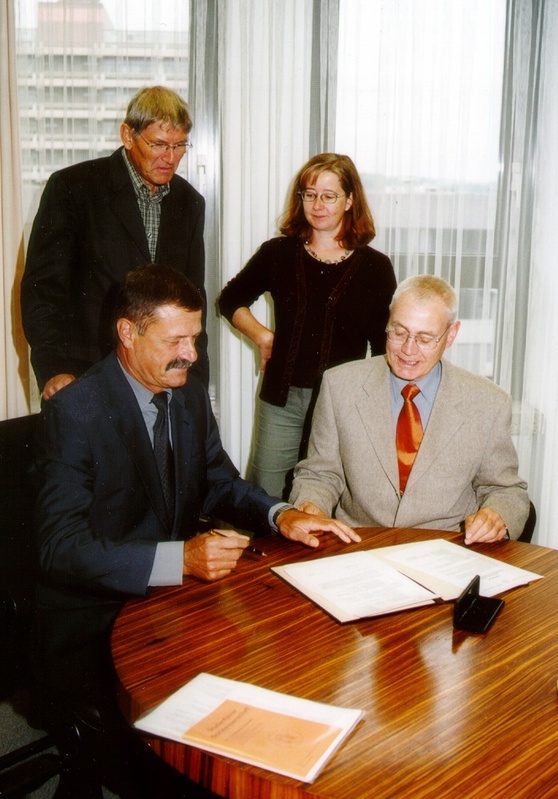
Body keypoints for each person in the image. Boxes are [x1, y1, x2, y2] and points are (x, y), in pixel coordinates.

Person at [31, 263, 359, 702]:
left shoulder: (188, 392)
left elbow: (218, 481)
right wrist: (180, 560)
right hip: (98, 618)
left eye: (195, 338)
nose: (192, 354)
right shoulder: (74, 412)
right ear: (128, 333)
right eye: (175, 341)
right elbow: (61, 547)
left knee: (277, 665)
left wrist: (281, 515)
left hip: (173, 605)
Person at [290, 275, 530, 543]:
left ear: (451, 335)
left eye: (425, 338)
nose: (408, 350)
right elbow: (320, 474)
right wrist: (312, 504)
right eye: (399, 332)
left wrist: (496, 516)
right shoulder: (340, 385)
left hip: (446, 549)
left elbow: (506, 490)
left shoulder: (487, 402)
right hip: (359, 546)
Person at [218, 153, 396, 499]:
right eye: (309, 194)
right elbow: (229, 300)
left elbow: (382, 345)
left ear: (349, 201)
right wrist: (262, 336)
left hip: (342, 405)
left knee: (327, 500)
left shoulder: (376, 267)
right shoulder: (277, 253)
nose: (317, 204)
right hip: (281, 400)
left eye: (329, 196)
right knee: (266, 498)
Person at [21, 85, 208, 399]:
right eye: (159, 144)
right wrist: (54, 367)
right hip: (86, 374)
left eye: (179, 146)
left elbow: (193, 298)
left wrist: (196, 383)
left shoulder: (190, 203)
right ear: (127, 135)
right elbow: (42, 290)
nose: (170, 158)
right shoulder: (73, 188)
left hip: (160, 378)